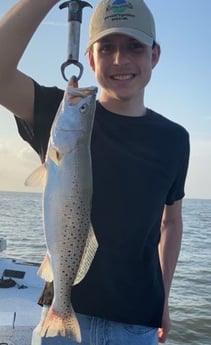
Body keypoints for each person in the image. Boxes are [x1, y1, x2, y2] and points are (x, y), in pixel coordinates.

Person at [0, 0, 190, 344]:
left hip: (137, 320)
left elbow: (171, 221)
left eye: (134, 45)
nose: (120, 59)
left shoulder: (175, 139)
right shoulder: (59, 113)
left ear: (155, 55)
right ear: (90, 58)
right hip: (63, 310)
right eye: (107, 47)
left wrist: (164, 299)